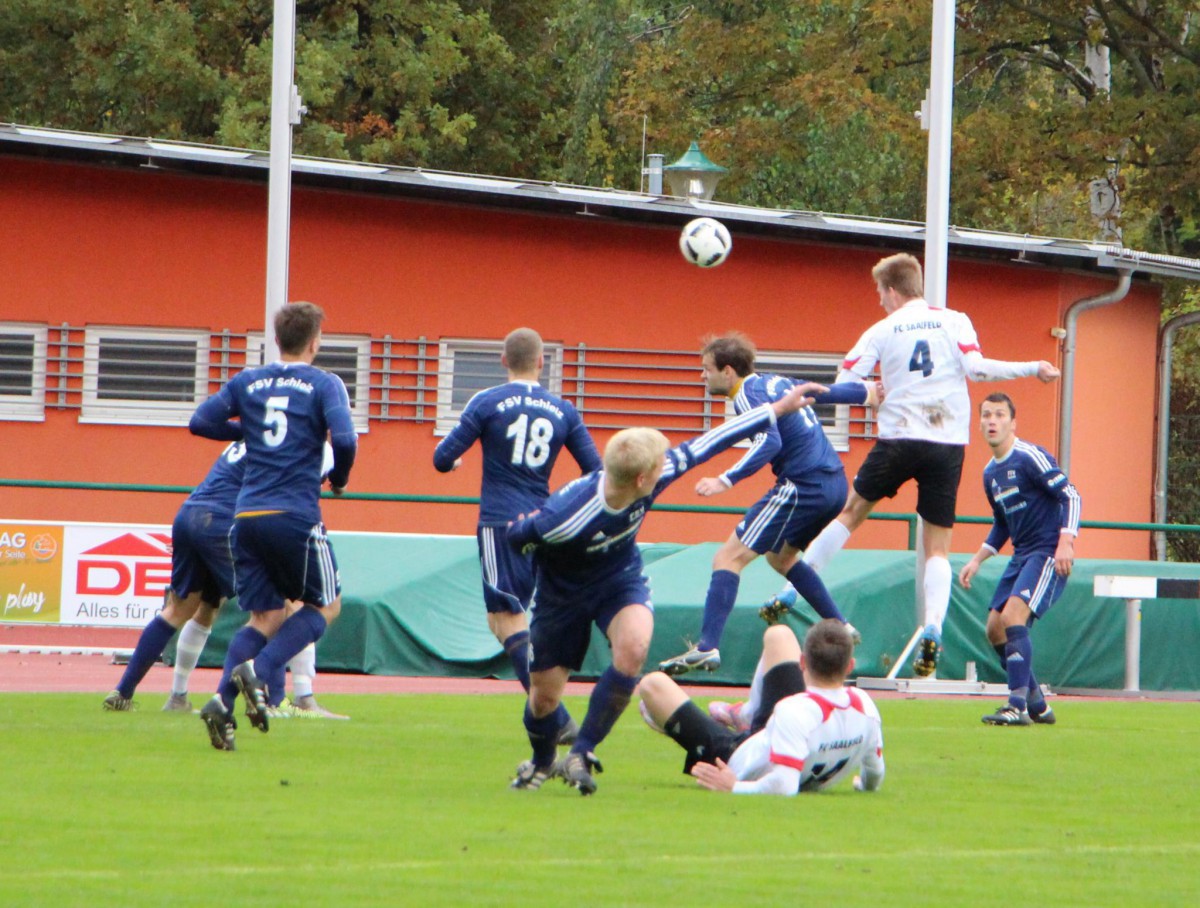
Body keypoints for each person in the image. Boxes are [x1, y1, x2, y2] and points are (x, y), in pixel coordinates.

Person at [505, 381, 824, 795]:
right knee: (543, 701)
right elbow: (518, 538)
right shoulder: (563, 517)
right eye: (658, 465)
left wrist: (778, 409)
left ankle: (582, 751)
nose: (666, 465)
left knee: (634, 647)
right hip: (561, 596)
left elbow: (710, 441)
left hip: (619, 580)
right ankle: (543, 759)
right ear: (641, 478)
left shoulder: (651, 474)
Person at [763, 253, 1060, 677]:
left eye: (880, 293)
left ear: (891, 290)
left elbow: (845, 379)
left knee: (851, 513)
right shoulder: (955, 319)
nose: (880, 301)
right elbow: (976, 368)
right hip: (946, 444)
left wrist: (871, 389)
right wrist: (1033, 367)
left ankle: (793, 590)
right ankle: (934, 628)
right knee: (937, 547)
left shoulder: (883, 329)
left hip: (898, 438)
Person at [189, 301, 358, 750]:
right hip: (295, 515)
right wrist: (339, 479)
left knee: (265, 615)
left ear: (278, 339)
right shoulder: (324, 382)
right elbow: (344, 438)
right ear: (315, 341)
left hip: (245, 515)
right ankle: (259, 675)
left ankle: (222, 705)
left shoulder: (249, 380)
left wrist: (248, 432)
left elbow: (201, 421)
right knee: (325, 606)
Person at [657, 332, 876, 676]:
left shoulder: (746, 396)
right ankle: (841, 626)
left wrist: (724, 479)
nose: (703, 376)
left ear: (727, 372)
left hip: (803, 484)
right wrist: (870, 392)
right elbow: (826, 392)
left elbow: (769, 442)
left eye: (706, 369)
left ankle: (707, 647)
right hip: (833, 483)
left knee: (727, 558)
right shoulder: (776, 381)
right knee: (781, 557)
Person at [433, 328, 600, 742]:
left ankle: (552, 715)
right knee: (508, 617)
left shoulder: (487, 402)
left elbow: (441, 458)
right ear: (542, 362)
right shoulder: (563, 409)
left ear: (503, 360)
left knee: (505, 617)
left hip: (500, 522)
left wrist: (453, 466)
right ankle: (550, 707)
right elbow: (595, 471)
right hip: (543, 521)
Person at [101, 442, 344, 719]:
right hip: (231, 519)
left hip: (190, 513)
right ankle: (285, 700)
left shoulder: (251, 432)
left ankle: (142, 694)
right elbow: (304, 493)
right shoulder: (309, 440)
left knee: (187, 608)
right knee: (278, 608)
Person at [639, 620, 884, 795]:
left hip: (738, 756)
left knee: (651, 685)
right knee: (779, 634)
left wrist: (733, 786)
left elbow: (783, 786)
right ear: (850, 666)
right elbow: (875, 774)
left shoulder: (792, 710)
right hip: (782, 731)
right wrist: (863, 786)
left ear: (803, 662)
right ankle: (746, 714)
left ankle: (732, 724)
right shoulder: (865, 704)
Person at [958, 392, 1080, 725]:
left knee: (1013, 616)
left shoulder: (1029, 457)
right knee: (995, 629)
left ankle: (1017, 706)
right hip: (1022, 555)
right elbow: (1002, 523)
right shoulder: (989, 474)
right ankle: (1038, 703)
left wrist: (1065, 542)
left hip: (1046, 553)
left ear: (1013, 423)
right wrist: (977, 559)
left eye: (999, 415)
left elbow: (1071, 495)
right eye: (986, 415)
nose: (992, 421)